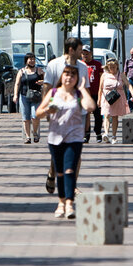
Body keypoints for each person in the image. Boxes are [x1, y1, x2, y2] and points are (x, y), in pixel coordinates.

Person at [36, 65, 95, 219]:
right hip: (55, 138)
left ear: (76, 79)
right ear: (61, 77)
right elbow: (38, 113)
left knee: (70, 170)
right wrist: (48, 110)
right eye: (66, 74)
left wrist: (83, 89)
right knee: (60, 172)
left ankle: (69, 203)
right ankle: (61, 202)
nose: (69, 77)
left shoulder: (78, 94)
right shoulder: (53, 93)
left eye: (73, 75)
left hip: (74, 138)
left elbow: (90, 106)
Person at [41, 37, 89, 193]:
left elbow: (84, 91)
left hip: (77, 114)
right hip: (58, 114)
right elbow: (47, 89)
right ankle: (52, 172)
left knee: (75, 150)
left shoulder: (82, 67)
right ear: (71, 50)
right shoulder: (53, 65)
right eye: (80, 50)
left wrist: (87, 115)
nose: (82, 54)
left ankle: (72, 185)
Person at [12, 52, 45, 144]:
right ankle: (27, 137)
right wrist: (15, 95)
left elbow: (47, 80)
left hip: (36, 97)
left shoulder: (39, 70)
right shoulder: (21, 71)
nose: (32, 61)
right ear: (26, 60)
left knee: (35, 116)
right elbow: (17, 84)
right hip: (24, 96)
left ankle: (35, 132)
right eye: (30, 59)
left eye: (33, 59)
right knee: (26, 118)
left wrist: (42, 82)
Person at [98, 58, 131, 144]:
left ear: (117, 66)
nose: (111, 68)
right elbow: (100, 88)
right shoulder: (104, 75)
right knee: (106, 115)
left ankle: (114, 136)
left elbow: (128, 84)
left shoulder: (121, 75)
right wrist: (99, 99)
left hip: (117, 98)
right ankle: (106, 133)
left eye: (113, 66)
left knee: (115, 116)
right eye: (110, 67)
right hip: (106, 98)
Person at [81, 45, 103, 143]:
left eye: (87, 53)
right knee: (85, 114)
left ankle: (98, 133)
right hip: (84, 94)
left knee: (97, 114)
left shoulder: (97, 64)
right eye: (83, 53)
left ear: (91, 54)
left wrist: (102, 92)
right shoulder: (80, 64)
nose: (85, 55)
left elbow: (102, 79)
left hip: (96, 93)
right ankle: (86, 134)